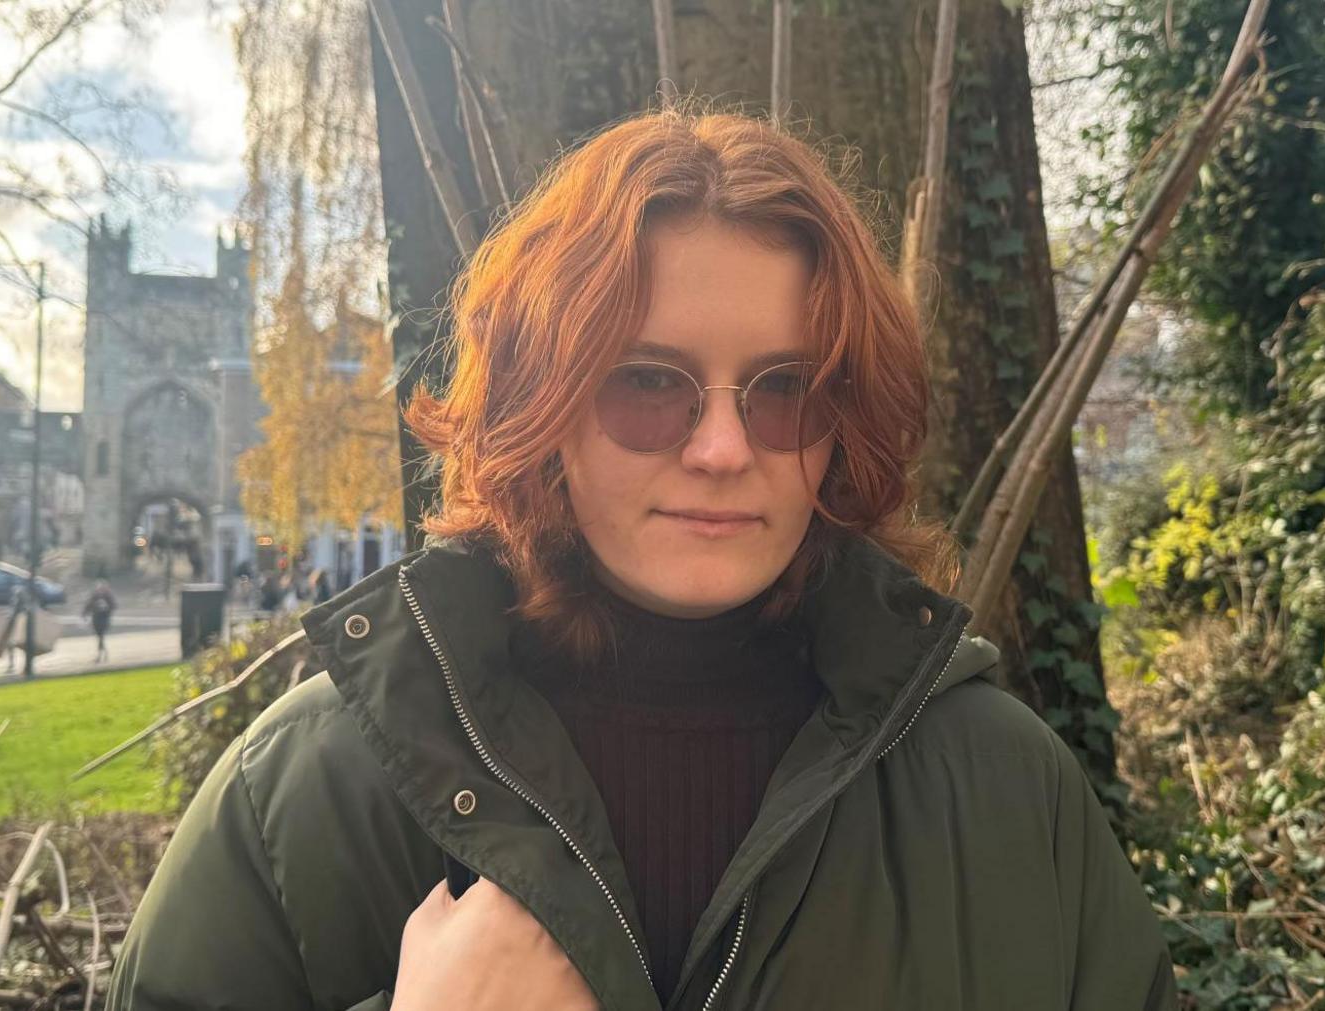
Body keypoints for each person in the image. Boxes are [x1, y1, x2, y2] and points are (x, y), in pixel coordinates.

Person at [110, 111, 1175, 1011]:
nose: (720, 450)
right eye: (647, 384)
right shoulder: (316, 792)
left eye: (785, 390)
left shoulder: (1006, 793)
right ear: (547, 413)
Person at [84, 580, 117, 663]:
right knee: (100, 637)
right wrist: (84, 613)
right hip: (96, 619)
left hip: (104, 619)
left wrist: (106, 609)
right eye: (98, 587)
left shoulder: (108, 596)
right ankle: (104, 654)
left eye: (101, 587)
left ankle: (100, 656)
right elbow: (89, 605)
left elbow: (114, 606)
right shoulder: (94, 596)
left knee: (100, 637)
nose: (99, 589)